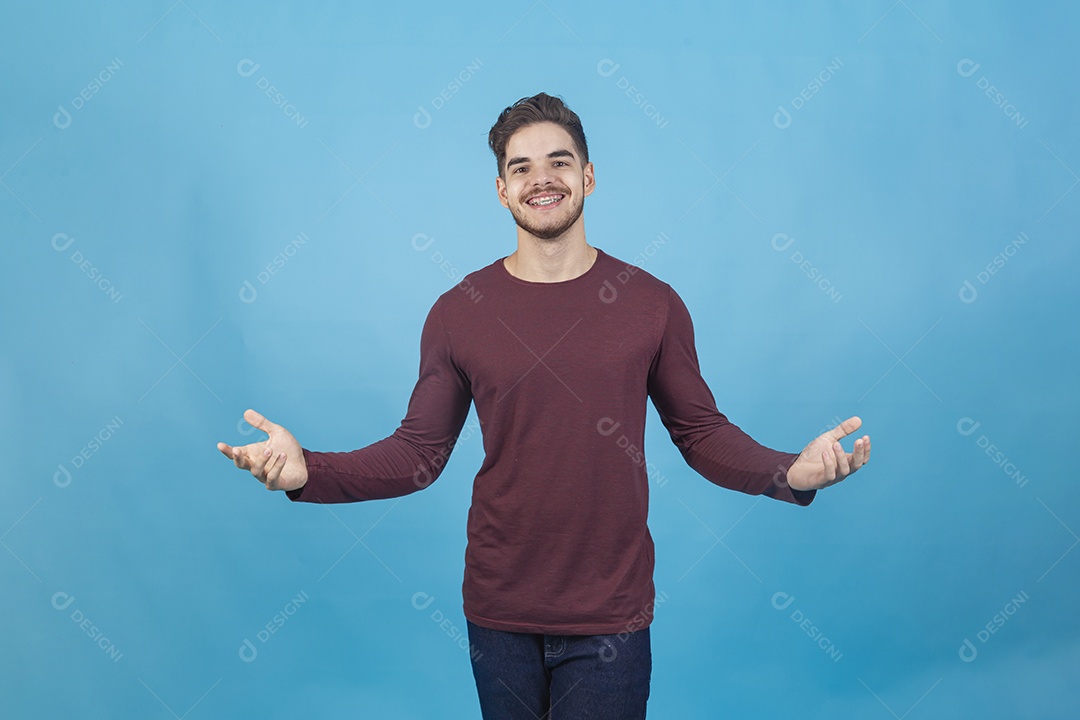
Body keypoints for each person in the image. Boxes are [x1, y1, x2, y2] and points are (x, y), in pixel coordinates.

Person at [217, 92, 871, 719]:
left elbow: (700, 433)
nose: (542, 179)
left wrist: (790, 472)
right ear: (501, 190)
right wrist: (312, 472)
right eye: (520, 167)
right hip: (497, 611)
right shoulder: (458, 312)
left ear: (588, 176)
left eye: (559, 161)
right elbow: (418, 453)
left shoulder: (652, 303)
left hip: (608, 616)